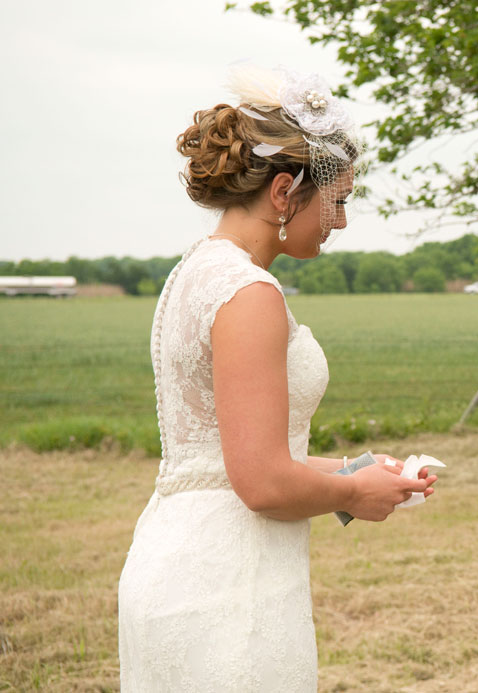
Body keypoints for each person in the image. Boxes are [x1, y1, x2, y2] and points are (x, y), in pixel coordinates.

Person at [117, 65, 437, 691]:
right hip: (228, 582)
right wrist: (353, 495)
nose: (341, 222)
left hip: (180, 556)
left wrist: (356, 469)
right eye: (337, 200)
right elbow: (260, 482)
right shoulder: (250, 292)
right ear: (285, 191)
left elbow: (227, 457)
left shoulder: (196, 271)